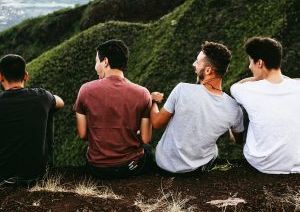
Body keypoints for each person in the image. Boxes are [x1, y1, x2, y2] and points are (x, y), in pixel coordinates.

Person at [151, 41, 244, 175]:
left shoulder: (182, 90)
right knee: (214, 149)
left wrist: (153, 101)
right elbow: (237, 140)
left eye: (197, 62)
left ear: (208, 70)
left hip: (164, 165)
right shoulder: (234, 108)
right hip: (196, 170)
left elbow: (156, 123)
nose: (194, 65)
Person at [74, 39, 152, 179]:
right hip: (130, 167)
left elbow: (83, 135)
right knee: (147, 150)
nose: (95, 66)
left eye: (97, 61)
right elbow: (146, 138)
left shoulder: (85, 90)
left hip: (98, 168)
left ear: (105, 62)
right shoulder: (143, 93)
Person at [231, 37, 300, 174]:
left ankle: (239, 144)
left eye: (250, 61)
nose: (250, 66)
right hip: (298, 163)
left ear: (260, 63)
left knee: (239, 107)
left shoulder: (244, 89)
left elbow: (236, 86)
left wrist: (257, 78)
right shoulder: (297, 86)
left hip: (263, 163)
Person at [0, 54, 64, 184]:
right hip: (37, 173)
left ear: (1, 76)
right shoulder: (41, 96)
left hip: (4, 173)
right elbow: (60, 102)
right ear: (26, 76)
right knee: (49, 109)